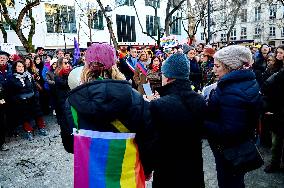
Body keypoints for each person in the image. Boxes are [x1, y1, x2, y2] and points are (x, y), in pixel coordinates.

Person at [60, 43, 155, 187]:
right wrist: (147, 170)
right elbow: (148, 144)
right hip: (128, 179)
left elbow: (69, 145)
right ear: (115, 64)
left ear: (86, 66)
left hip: (90, 180)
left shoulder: (71, 102)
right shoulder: (136, 99)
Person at [204, 45, 262, 188]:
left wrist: (201, 121)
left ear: (230, 67)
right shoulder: (243, 81)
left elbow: (229, 131)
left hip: (230, 150)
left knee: (229, 182)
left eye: (217, 66)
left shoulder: (232, 91)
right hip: (238, 145)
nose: (213, 69)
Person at [145, 53, 206, 187]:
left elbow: (152, 142)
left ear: (167, 77)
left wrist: (147, 168)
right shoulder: (199, 100)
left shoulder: (158, 105)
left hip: (168, 171)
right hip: (193, 168)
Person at [6, 61, 47, 141]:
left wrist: (36, 95)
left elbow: (34, 87)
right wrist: (17, 100)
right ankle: (29, 131)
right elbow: (11, 92)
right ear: (15, 67)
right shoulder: (12, 79)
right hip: (21, 101)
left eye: (22, 66)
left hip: (32, 99)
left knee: (38, 114)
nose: (21, 68)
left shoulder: (29, 76)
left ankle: (41, 128)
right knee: (25, 117)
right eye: (19, 66)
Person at [261, 45, 284, 173]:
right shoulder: (274, 68)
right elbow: (266, 86)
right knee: (276, 141)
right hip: (275, 106)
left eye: (281, 52)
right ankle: (275, 163)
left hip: (280, 107)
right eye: (277, 52)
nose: (278, 55)